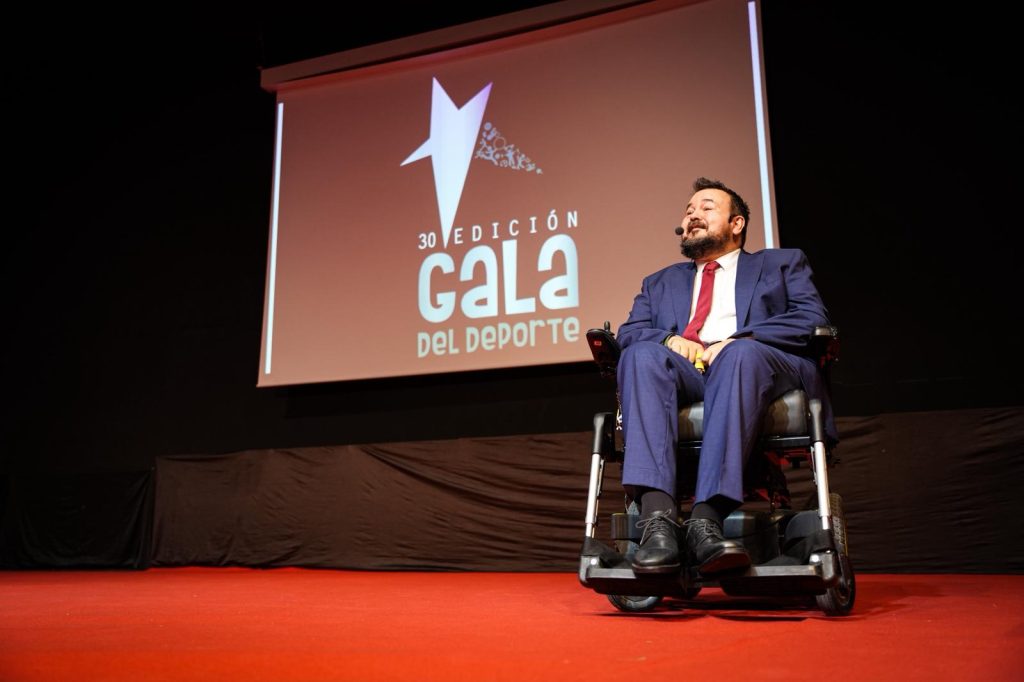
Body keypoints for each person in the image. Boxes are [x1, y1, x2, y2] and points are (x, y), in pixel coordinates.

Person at [617, 177, 832, 576]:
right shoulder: (659, 282)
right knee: (641, 354)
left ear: (737, 223)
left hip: (760, 366)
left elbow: (810, 319)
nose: (692, 215)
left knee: (738, 355)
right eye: (688, 210)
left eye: (706, 208)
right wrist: (668, 339)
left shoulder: (781, 264)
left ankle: (707, 519)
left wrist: (738, 339)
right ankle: (658, 524)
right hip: (690, 373)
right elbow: (629, 333)